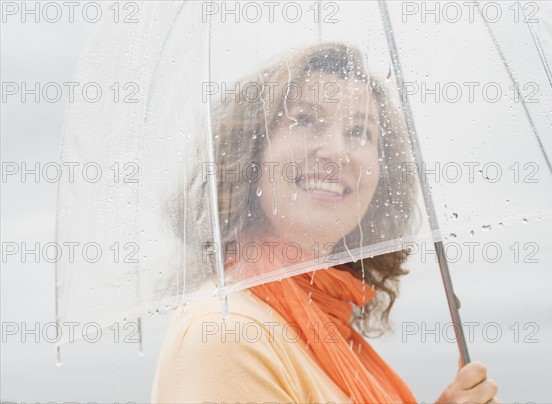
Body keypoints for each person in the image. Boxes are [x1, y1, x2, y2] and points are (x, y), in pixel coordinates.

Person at [152, 43, 500, 404]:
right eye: (305, 120)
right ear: (250, 153)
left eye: (360, 132)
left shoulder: (325, 327)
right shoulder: (228, 333)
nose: (336, 151)